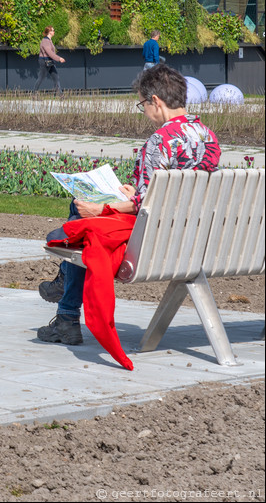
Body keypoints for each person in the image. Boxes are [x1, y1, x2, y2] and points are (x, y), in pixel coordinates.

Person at [35, 63, 221, 346]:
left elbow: (146, 204)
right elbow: (164, 194)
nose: (144, 110)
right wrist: (135, 192)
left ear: (156, 102)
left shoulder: (160, 141)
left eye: (143, 103)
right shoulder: (208, 136)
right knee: (80, 219)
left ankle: (66, 314)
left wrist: (101, 208)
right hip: (192, 239)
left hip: (153, 245)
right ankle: (64, 305)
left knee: (76, 221)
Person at [33, 26, 65, 96]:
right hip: (45, 61)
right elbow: (49, 52)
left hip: (50, 61)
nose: (54, 32)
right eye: (53, 30)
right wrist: (59, 58)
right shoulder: (45, 41)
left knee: (56, 77)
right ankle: (34, 95)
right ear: (49, 32)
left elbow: (51, 53)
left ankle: (61, 95)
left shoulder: (49, 40)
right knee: (41, 77)